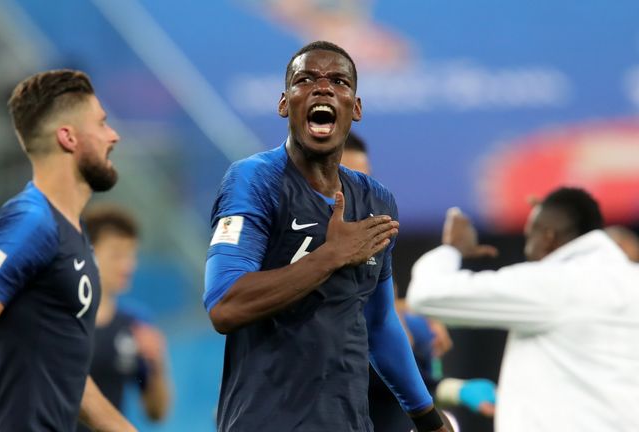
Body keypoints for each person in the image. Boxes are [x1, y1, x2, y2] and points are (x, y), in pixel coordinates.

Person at [204, 41, 450, 431]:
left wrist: (427, 418)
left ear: (355, 108)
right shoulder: (254, 180)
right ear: (285, 104)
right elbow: (224, 305)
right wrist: (330, 256)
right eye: (306, 80)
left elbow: (380, 322)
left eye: (338, 80)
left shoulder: (376, 200)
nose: (323, 88)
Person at [0, 69, 137, 432]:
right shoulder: (31, 223)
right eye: (102, 124)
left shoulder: (68, 230)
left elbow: (70, 377)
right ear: (68, 137)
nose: (113, 135)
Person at [407, 187, 639, 431]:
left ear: (548, 237)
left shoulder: (554, 283)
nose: (528, 251)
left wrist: (452, 248)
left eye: (530, 236)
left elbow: (427, 294)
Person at [340, 132, 495, 431]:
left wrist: (406, 310)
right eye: (346, 181)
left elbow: (380, 335)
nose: (359, 194)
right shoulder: (290, 249)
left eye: (366, 181)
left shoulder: (373, 250)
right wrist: (451, 390)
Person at [78, 204, 172, 431]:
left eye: (132, 255)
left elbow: (156, 413)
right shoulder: (60, 318)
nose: (128, 265)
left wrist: (157, 364)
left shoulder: (134, 323)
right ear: (87, 253)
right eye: (117, 254)